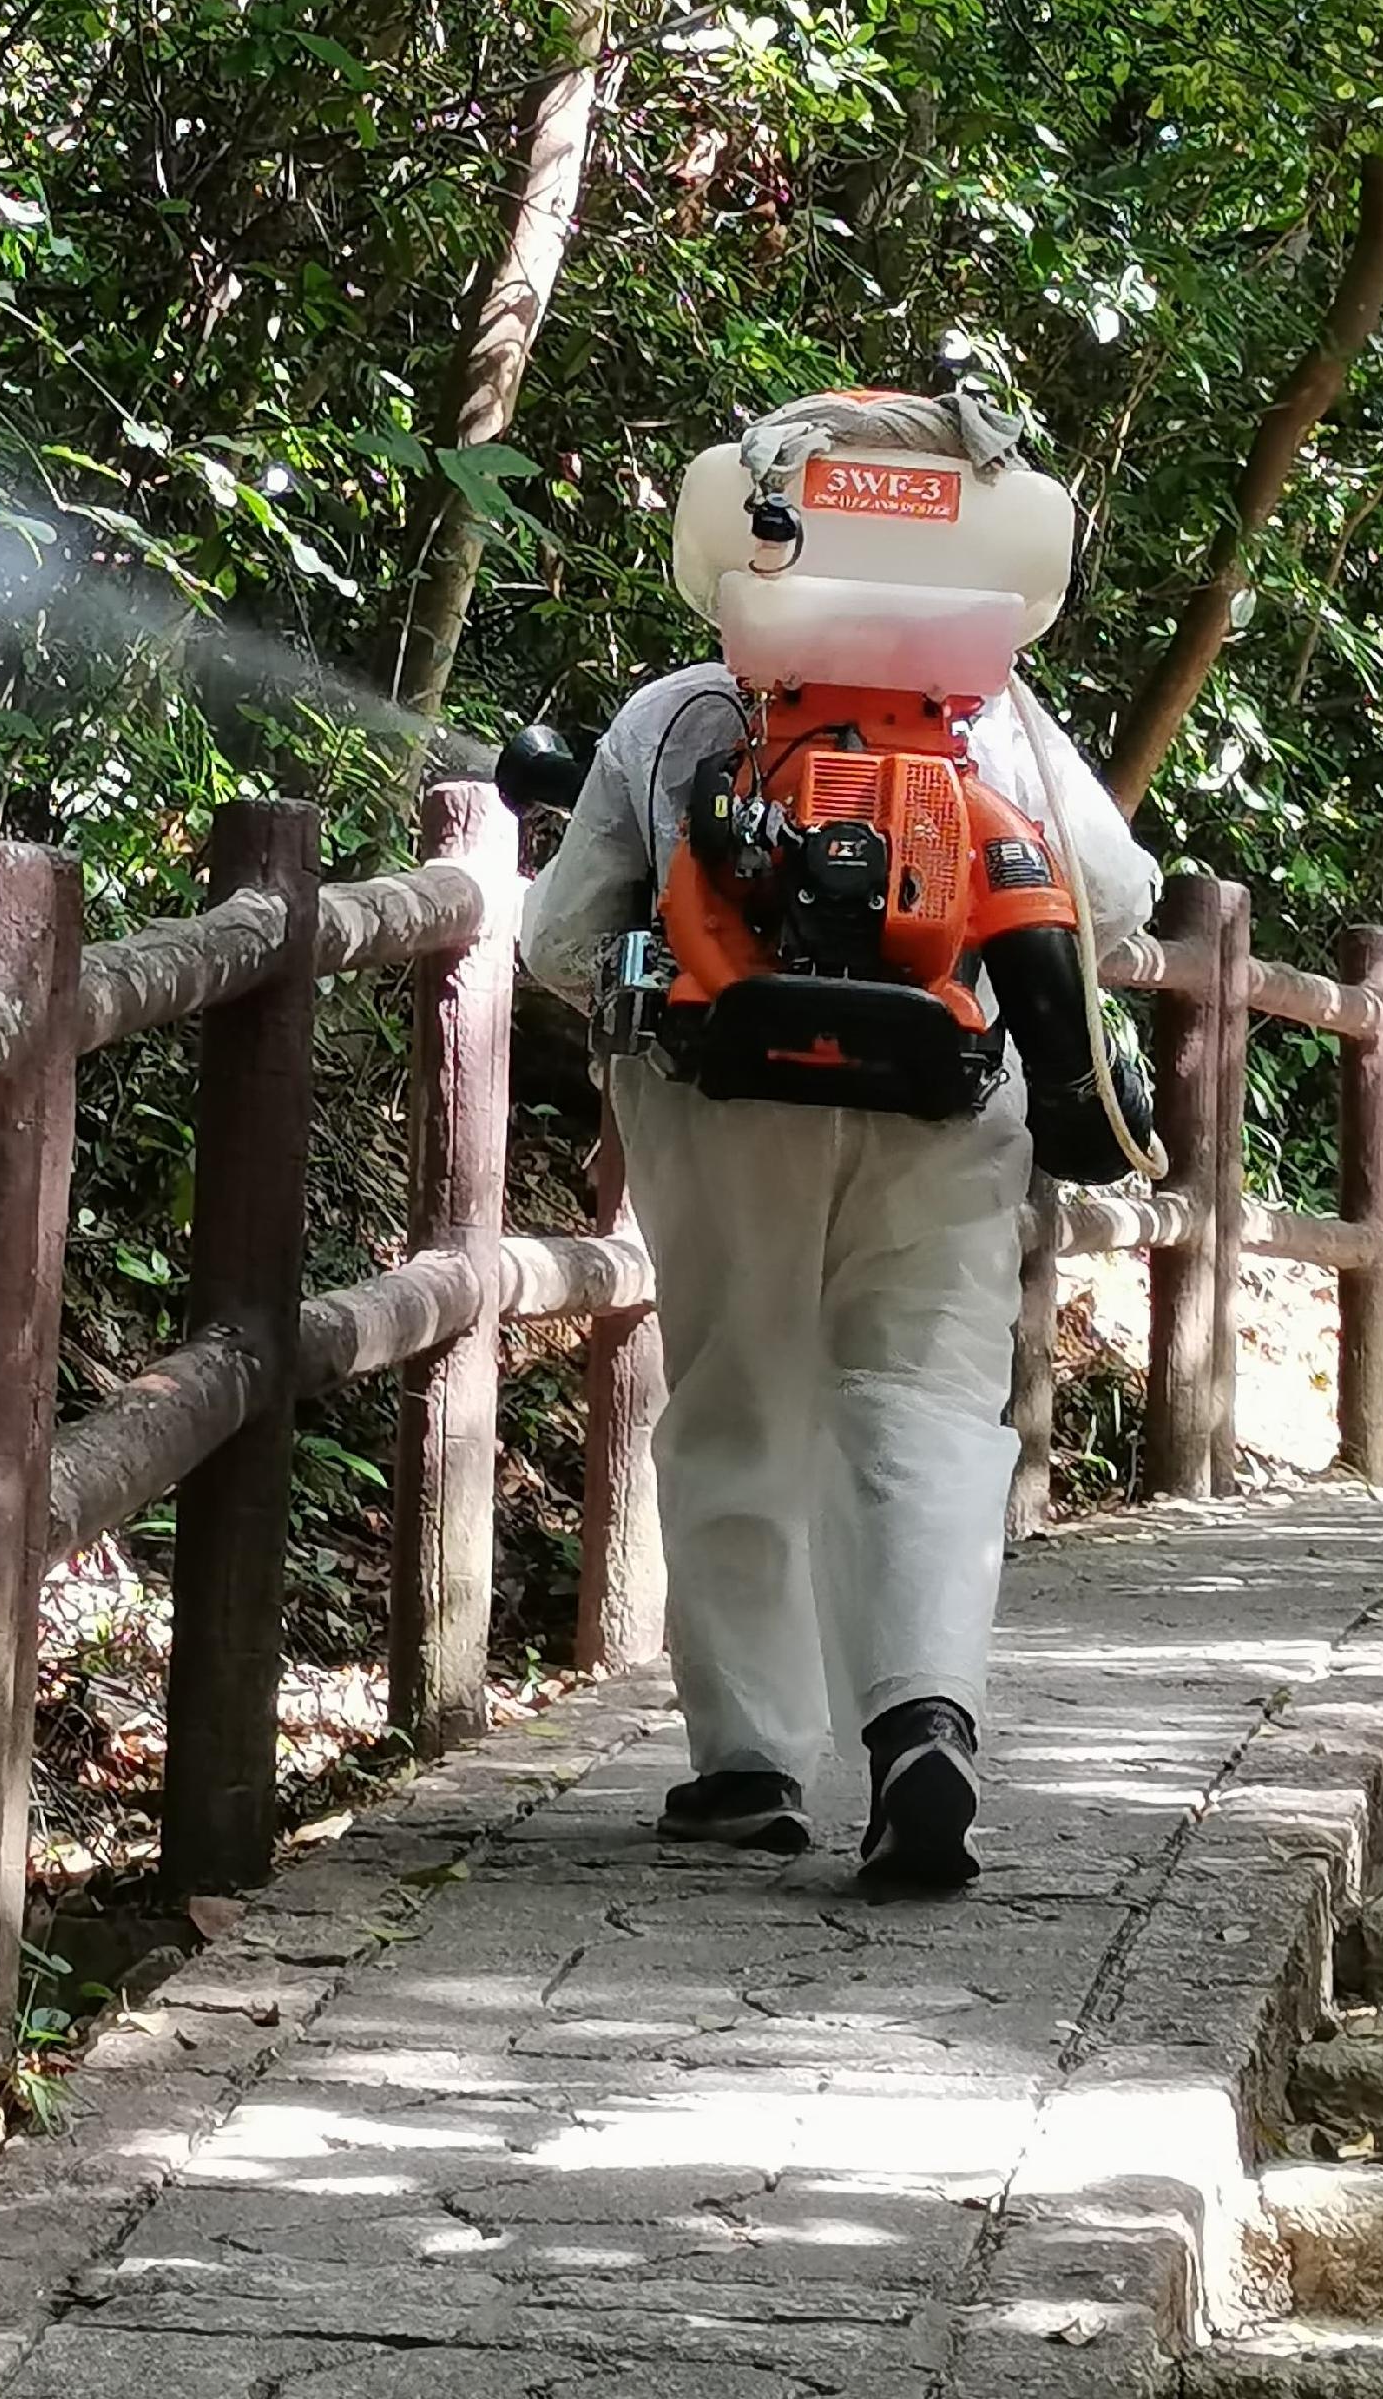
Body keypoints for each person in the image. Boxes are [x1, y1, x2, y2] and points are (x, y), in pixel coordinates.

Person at [517, 407, 1159, 1894]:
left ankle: (747, 1763)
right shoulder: (995, 716)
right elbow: (1112, 906)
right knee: (923, 1397)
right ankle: (920, 1723)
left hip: (720, 1092)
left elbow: (561, 942)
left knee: (742, 1391)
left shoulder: (681, 712)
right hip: (953, 1081)